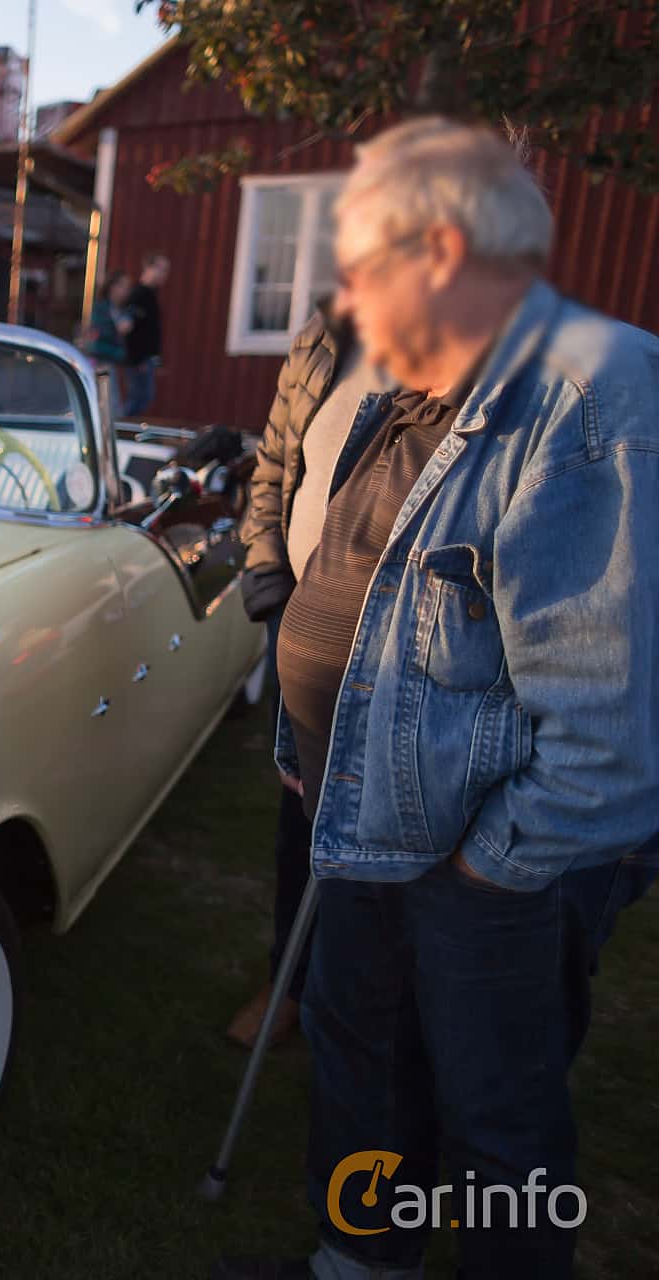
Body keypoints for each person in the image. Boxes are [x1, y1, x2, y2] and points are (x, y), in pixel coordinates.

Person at [213, 118, 659, 1280]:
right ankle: (366, 1257)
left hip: (487, 865)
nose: (344, 301)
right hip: (357, 817)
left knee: (495, 1119)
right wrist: (311, 747)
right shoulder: (404, 390)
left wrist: (488, 869)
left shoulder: (590, 392)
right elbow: (350, 584)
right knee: (365, 1060)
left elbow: (608, 735)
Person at [226, 302, 384, 1050]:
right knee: (301, 822)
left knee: (387, 837)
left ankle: (361, 1008)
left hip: (401, 646)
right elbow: (274, 465)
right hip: (304, 626)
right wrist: (264, 573)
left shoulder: (477, 347)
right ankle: (290, 980)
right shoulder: (324, 334)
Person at [119, 252, 168, 418]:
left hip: (146, 359)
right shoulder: (138, 295)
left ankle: (123, 428)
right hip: (138, 360)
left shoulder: (150, 295)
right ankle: (120, 428)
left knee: (144, 398)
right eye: (161, 269)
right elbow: (128, 329)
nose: (164, 274)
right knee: (139, 398)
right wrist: (137, 359)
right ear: (149, 268)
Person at [80, 270, 135, 413]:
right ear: (113, 287)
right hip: (101, 358)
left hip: (113, 359)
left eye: (128, 287)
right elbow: (96, 335)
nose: (126, 291)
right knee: (109, 403)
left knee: (111, 400)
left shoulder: (123, 309)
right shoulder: (102, 308)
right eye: (123, 286)